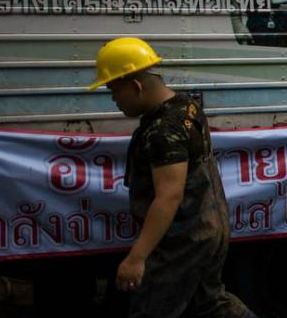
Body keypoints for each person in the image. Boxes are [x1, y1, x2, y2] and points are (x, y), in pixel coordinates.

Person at [86, 38, 255, 318]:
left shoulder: (163, 130)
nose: (113, 99)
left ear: (135, 86)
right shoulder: (187, 106)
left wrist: (136, 258)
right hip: (207, 230)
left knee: (151, 310)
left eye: (113, 90)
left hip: (182, 241)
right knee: (210, 304)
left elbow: (169, 195)